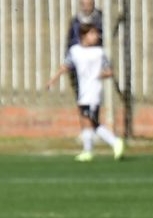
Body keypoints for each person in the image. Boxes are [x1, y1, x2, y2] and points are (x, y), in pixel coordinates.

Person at [46, 23, 124, 162]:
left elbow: (109, 71)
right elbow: (65, 66)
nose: (96, 37)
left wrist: (102, 75)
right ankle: (88, 151)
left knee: (92, 122)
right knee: (85, 122)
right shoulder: (75, 51)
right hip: (83, 92)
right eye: (92, 34)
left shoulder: (99, 52)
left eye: (96, 34)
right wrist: (53, 80)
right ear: (83, 36)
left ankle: (115, 142)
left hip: (94, 92)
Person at [66, 0, 104, 102]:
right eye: (84, 4)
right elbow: (70, 41)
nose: (86, 7)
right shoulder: (75, 21)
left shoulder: (100, 20)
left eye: (89, 4)